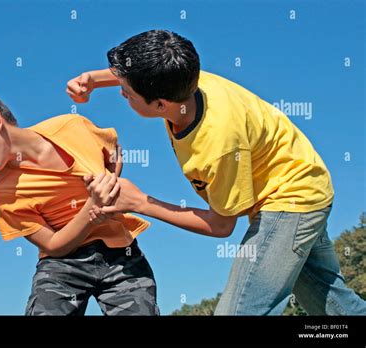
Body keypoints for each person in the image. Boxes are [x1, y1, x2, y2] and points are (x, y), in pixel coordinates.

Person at [67, 30, 366, 315]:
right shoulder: (183, 79)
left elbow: (221, 225)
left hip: (290, 200)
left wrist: (140, 202)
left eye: (128, 93)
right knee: (332, 305)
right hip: (307, 180)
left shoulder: (218, 143)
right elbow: (141, 75)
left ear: (160, 104)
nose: (122, 94)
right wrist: (93, 80)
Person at [0, 87, 159, 316]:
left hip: (120, 252)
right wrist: (94, 207)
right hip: (62, 266)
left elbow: (113, 152)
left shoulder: (72, 126)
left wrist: (110, 181)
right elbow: (53, 244)